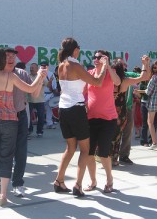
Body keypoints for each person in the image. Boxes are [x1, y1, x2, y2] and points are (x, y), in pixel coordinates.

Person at [0, 48, 45, 206]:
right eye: (7, 56)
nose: (11, 58)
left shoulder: (19, 73)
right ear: (1, 59)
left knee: (16, 151)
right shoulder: (0, 75)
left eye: (14, 56)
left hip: (15, 116)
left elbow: (33, 93)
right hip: (4, 119)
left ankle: (15, 184)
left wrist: (40, 78)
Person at [54, 38, 106, 197]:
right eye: (79, 48)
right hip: (76, 109)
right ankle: (78, 184)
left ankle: (59, 181)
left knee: (70, 148)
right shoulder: (75, 65)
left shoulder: (60, 66)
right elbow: (97, 82)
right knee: (85, 149)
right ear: (75, 50)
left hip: (63, 109)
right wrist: (103, 66)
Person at [85, 50, 121, 193]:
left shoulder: (110, 73)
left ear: (106, 59)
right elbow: (83, 92)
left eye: (99, 57)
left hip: (108, 119)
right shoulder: (90, 73)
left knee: (103, 153)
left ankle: (109, 180)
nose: (96, 59)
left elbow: (118, 82)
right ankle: (93, 181)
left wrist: (108, 67)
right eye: (95, 57)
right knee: (88, 153)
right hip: (91, 119)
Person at [110, 57, 150, 166]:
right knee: (116, 136)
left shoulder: (108, 79)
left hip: (112, 110)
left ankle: (111, 157)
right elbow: (144, 76)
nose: (125, 66)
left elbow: (145, 76)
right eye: (123, 65)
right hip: (120, 111)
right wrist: (145, 64)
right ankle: (113, 158)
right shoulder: (125, 80)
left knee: (112, 134)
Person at [28, 63, 46, 137]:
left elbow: (47, 84)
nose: (31, 69)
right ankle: (29, 130)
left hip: (40, 100)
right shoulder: (27, 77)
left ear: (37, 69)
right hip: (29, 100)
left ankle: (39, 131)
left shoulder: (41, 77)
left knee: (41, 117)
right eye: (31, 67)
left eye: (33, 67)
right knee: (28, 117)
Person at [43, 61, 57, 129]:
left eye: (45, 65)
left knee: (49, 110)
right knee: (39, 110)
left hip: (49, 94)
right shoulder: (38, 74)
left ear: (47, 66)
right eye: (42, 65)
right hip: (40, 95)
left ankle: (49, 123)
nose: (43, 67)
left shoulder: (51, 74)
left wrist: (54, 89)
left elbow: (54, 85)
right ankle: (40, 123)